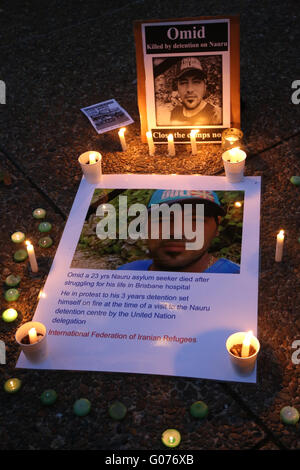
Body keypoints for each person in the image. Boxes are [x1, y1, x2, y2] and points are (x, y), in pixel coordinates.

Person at [117, 190, 240, 274]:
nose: (176, 231)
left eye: (194, 220)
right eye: (162, 219)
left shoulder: (238, 280)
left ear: (216, 228)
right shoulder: (124, 274)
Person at [170, 57, 221, 126]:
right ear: (177, 86)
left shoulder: (216, 115)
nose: (190, 89)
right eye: (183, 83)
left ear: (205, 85)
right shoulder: (175, 112)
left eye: (196, 82)